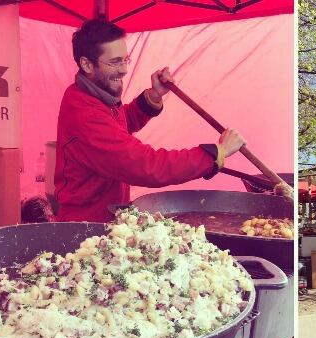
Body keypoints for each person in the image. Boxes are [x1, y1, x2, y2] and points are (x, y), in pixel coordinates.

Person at [54, 19, 246, 222]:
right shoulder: (84, 114)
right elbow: (146, 166)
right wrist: (216, 154)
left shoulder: (92, 95)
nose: (124, 70)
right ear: (86, 64)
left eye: (125, 59)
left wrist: (153, 97)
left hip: (105, 217)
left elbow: (118, 125)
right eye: (115, 62)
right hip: (86, 226)